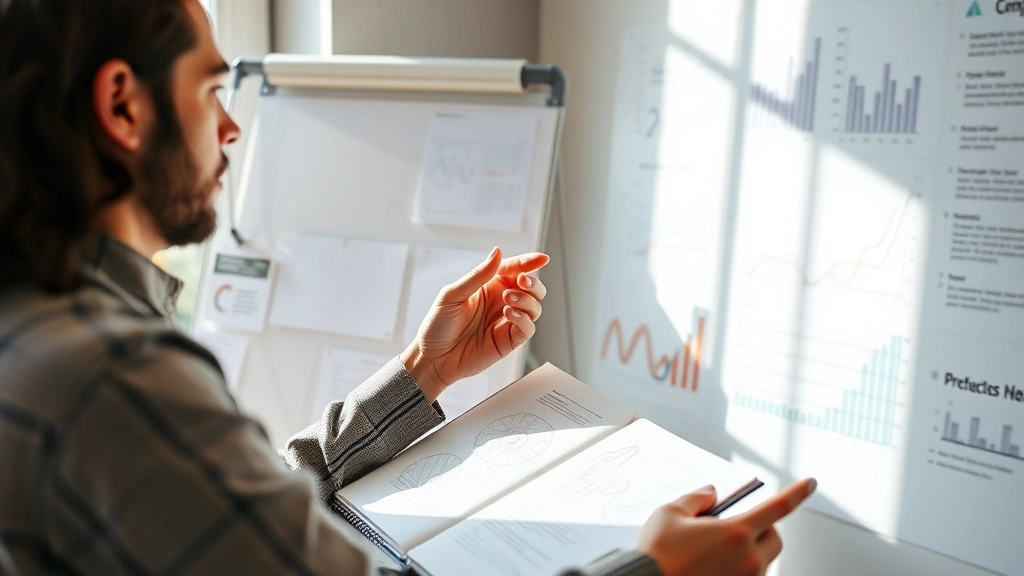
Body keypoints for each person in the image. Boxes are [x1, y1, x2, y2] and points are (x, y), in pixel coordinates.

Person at [0, 1, 816, 575]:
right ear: (122, 106)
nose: (232, 126)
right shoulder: (119, 375)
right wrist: (656, 571)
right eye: (211, 90)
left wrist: (423, 372)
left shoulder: (32, 327)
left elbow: (235, 510)